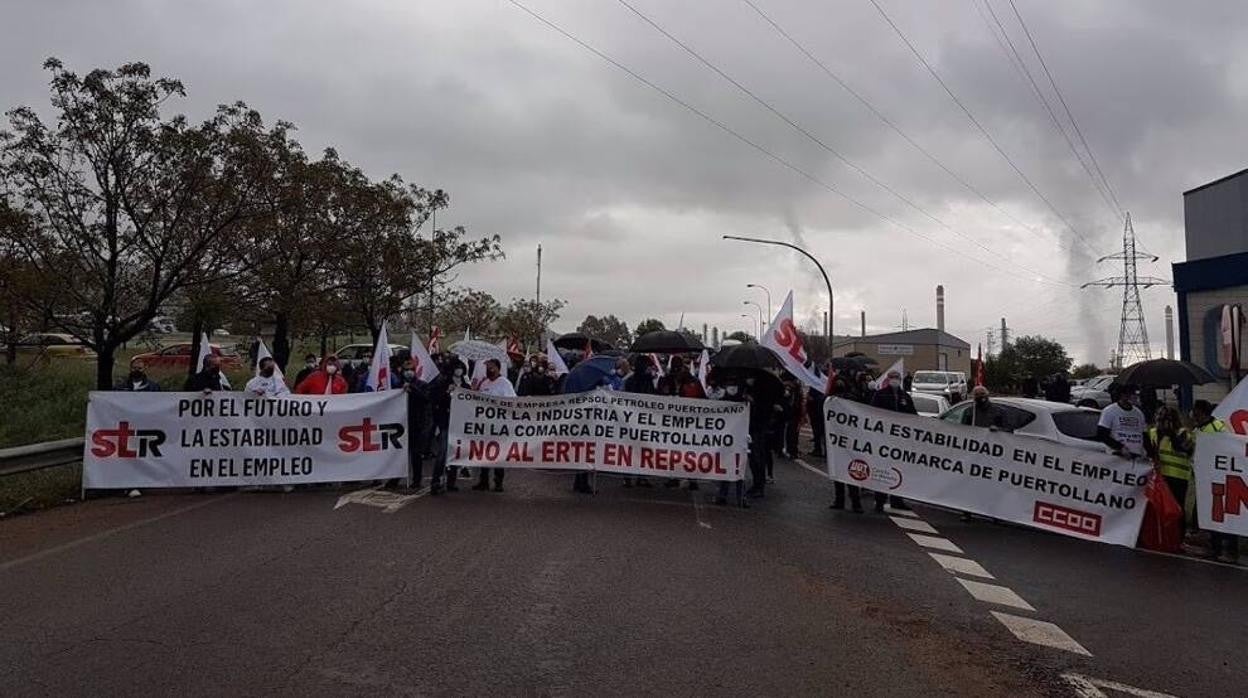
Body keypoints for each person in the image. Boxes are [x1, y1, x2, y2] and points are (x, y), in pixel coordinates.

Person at [1191, 400, 1237, 563]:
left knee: (1222, 512)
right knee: (1208, 513)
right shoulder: (1199, 429)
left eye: (1195, 411)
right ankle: (1214, 547)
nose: (1192, 415)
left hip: (1217, 475)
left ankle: (1229, 549)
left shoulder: (1217, 426)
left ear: (1202, 412)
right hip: (1203, 476)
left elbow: (1228, 447)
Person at [869, 370, 916, 513]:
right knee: (882, 470)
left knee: (899, 470)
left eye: (897, 378)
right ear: (888, 379)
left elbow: (913, 415)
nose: (895, 380)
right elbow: (872, 412)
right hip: (883, 439)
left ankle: (897, 500)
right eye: (893, 378)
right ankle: (880, 501)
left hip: (900, 441)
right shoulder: (880, 394)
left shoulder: (905, 396)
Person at [1144, 406, 1194, 537]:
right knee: (1157, 506)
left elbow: (1185, 450)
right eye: (1159, 419)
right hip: (1159, 476)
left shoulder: (1183, 433)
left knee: (1176, 507)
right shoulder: (1153, 432)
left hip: (1178, 476)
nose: (1160, 422)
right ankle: (1160, 534)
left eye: (1164, 419)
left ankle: (1179, 536)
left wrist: (1171, 434)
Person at [430, 354, 471, 495]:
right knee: (442, 453)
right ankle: (436, 481)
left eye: (460, 368)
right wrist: (447, 392)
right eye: (456, 368)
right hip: (446, 422)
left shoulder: (466, 386)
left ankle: (451, 482)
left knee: (456, 452)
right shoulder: (444, 383)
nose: (458, 370)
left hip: (459, 424)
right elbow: (435, 400)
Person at [473, 358, 515, 493]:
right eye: (487, 368)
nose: (489, 370)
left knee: (498, 454)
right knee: (484, 453)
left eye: (491, 368)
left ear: (498, 368)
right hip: (485, 425)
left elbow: (512, 402)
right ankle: (483, 481)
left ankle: (498, 482)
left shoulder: (505, 384)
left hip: (498, 426)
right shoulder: (484, 383)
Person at [829, 373, 864, 513]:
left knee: (851, 470)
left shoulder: (851, 399)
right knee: (839, 471)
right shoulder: (831, 400)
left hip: (849, 440)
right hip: (837, 440)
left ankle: (855, 502)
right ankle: (840, 500)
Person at [1097, 384, 1146, 458]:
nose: (1135, 397)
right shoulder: (1110, 411)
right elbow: (1102, 434)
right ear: (1123, 395)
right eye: (1132, 394)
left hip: (1136, 456)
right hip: (1117, 455)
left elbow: (1143, 434)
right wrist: (1120, 447)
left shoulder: (1138, 413)